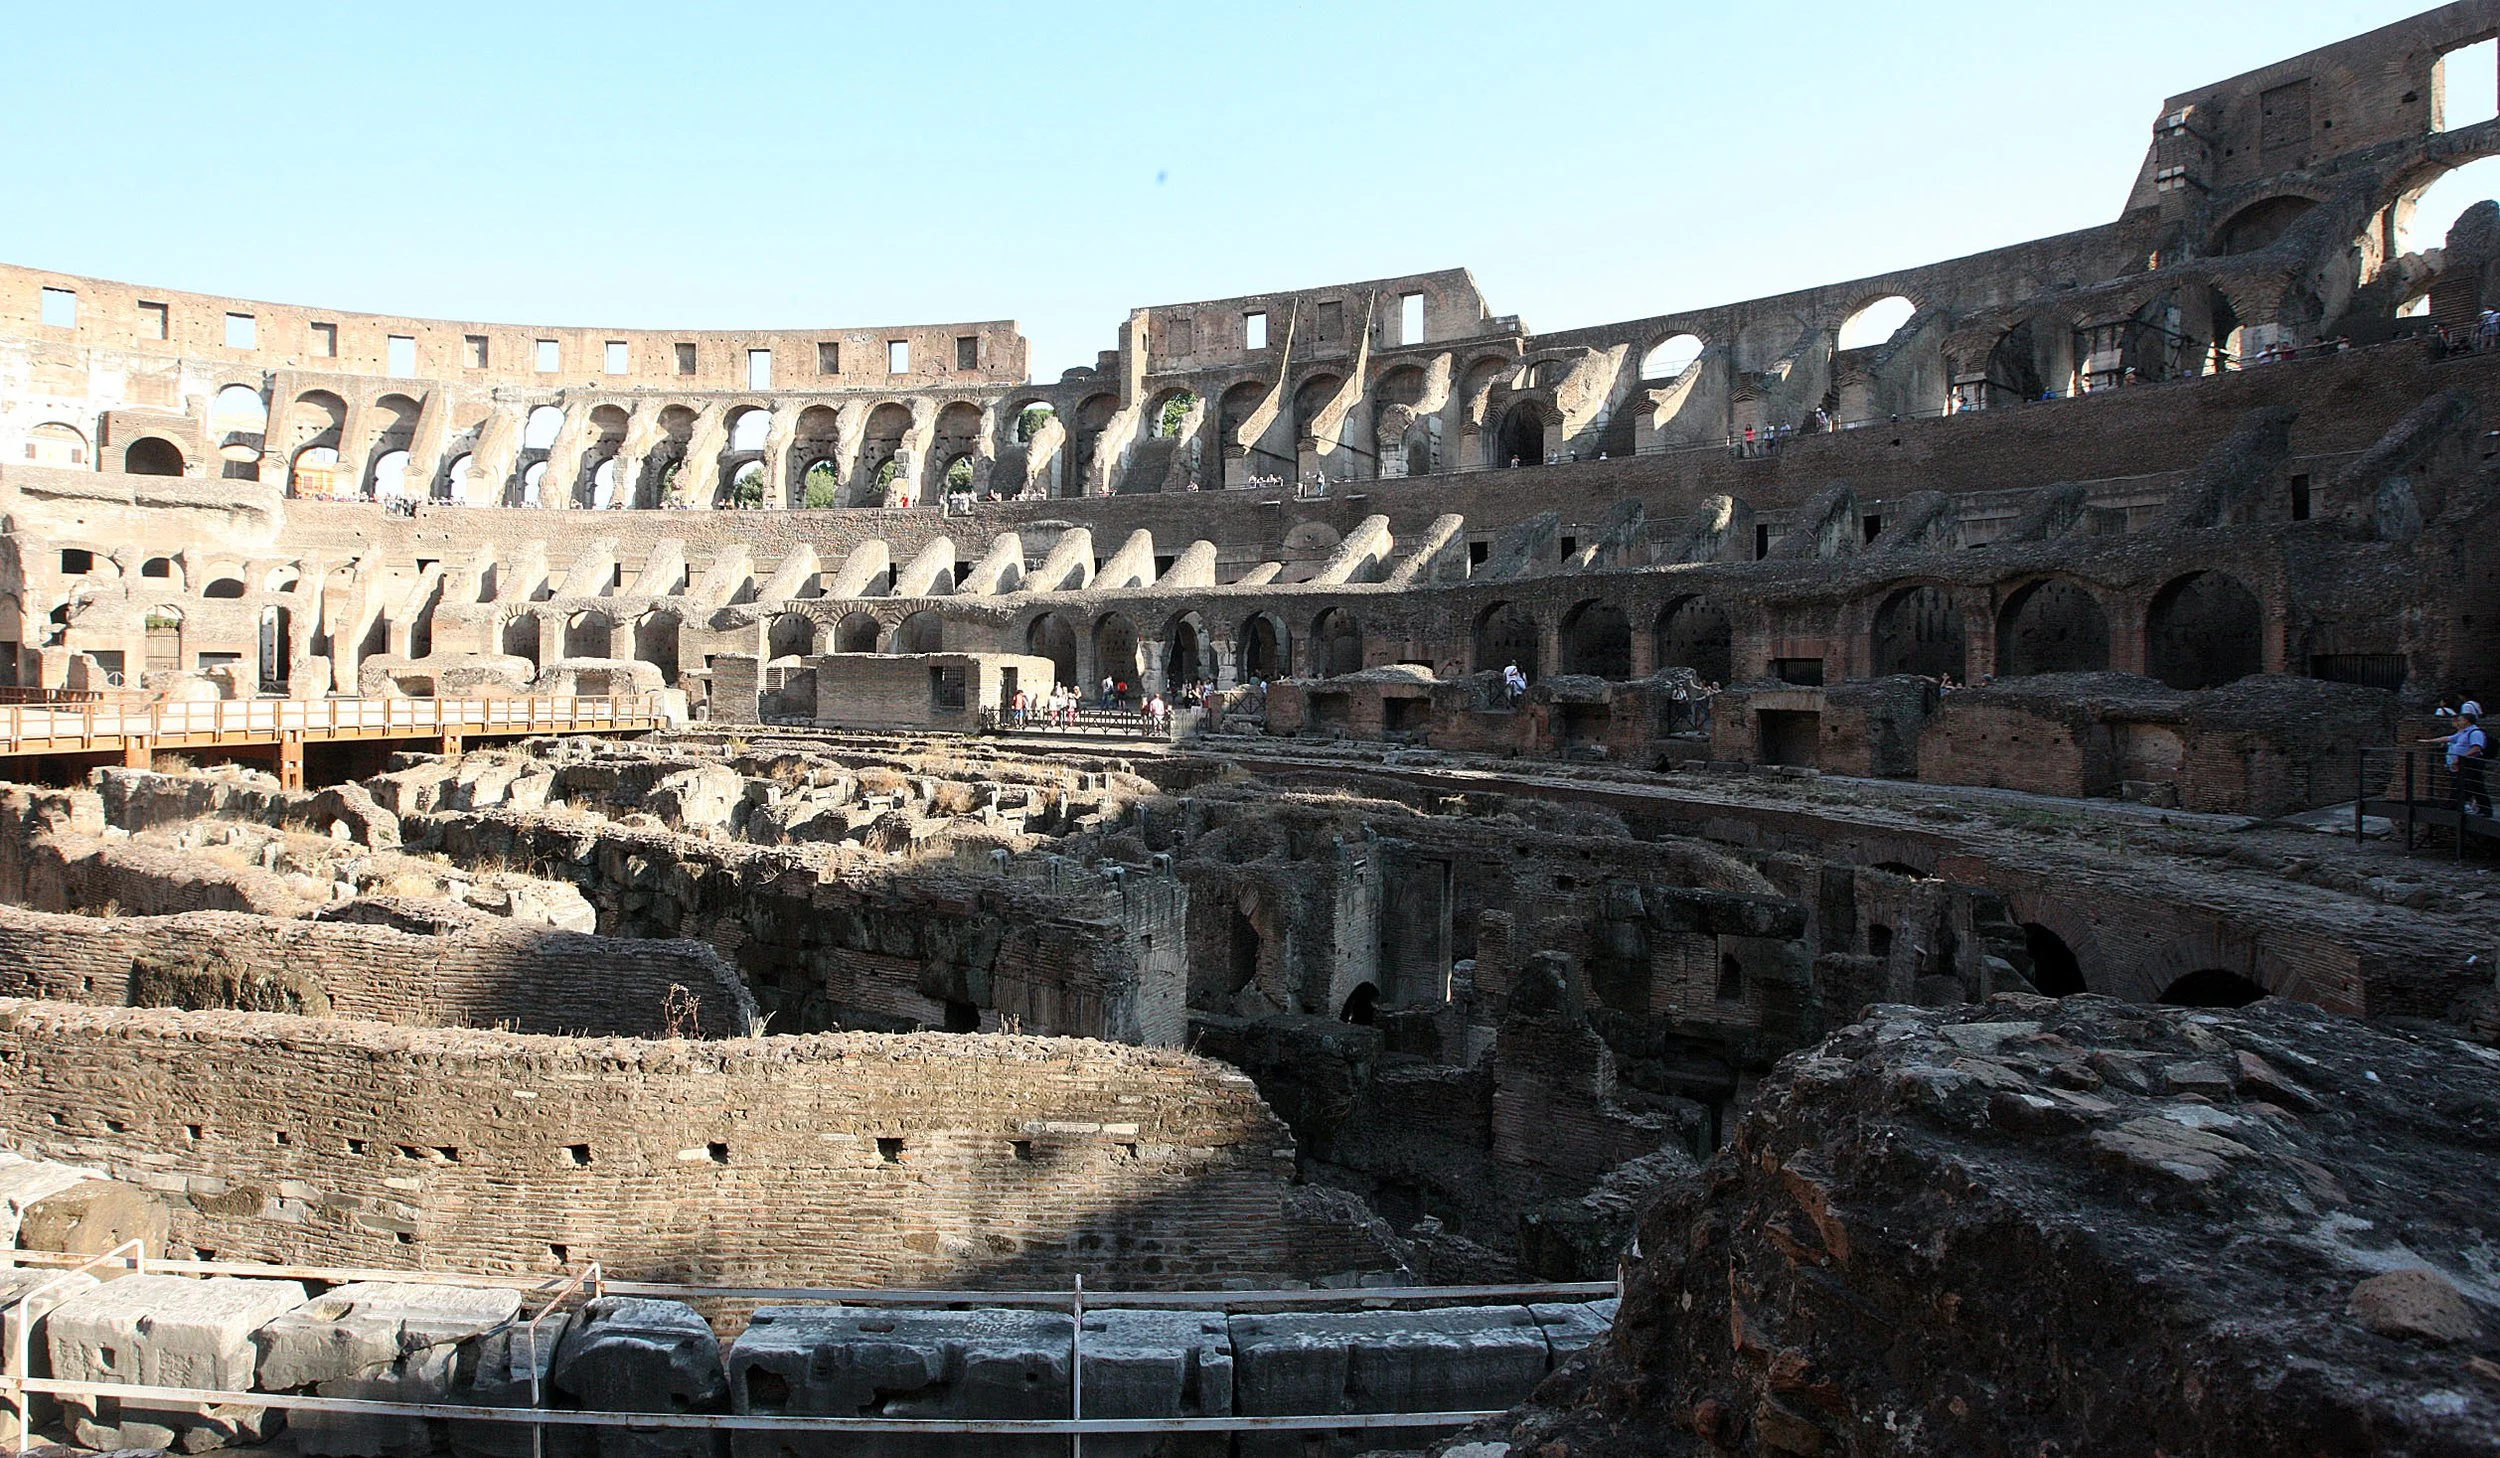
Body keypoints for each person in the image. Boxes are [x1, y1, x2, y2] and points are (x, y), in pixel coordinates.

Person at [2423, 710, 2490, 817]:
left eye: (2460, 720)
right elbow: (2448, 738)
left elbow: (2476, 748)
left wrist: (2461, 759)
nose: (2458, 722)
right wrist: (2429, 741)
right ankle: (2452, 806)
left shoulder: (2475, 733)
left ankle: (2485, 810)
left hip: (2470, 763)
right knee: (2459, 784)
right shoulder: (2463, 733)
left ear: (2467, 721)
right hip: (2462, 763)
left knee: (2475, 786)